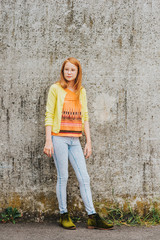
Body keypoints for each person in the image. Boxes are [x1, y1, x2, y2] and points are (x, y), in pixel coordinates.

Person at [43, 57, 113, 230]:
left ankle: (92, 217)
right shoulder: (55, 88)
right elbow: (49, 115)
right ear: (63, 70)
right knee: (63, 177)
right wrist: (48, 141)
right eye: (66, 69)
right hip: (58, 138)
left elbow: (85, 117)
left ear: (77, 72)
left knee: (84, 178)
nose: (69, 72)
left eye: (72, 70)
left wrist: (88, 141)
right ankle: (63, 214)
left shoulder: (81, 91)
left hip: (75, 140)